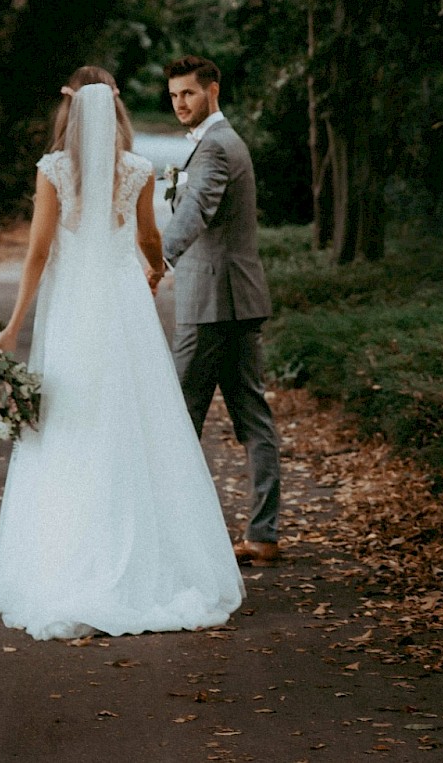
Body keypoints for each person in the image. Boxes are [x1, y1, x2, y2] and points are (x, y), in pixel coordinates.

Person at [0, 65, 244, 641]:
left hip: (74, 312)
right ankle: (148, 565)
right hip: (123, 309)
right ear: (118, 112)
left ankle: (67, 561)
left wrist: (14, 329)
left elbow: (36, 254)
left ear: (69, 112)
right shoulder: (137, 170)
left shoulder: (54, 171)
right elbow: (150, 238)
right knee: (134, 423)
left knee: (72, 426)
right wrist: (152, 268)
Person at [147, 55, 281, 565]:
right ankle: (263, 534)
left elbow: (195, 210)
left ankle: (178, 536)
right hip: (235, 299)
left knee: (178, 417)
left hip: (213, 304)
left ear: (213, 91)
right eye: (174, 95)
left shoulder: (216, 148)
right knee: (252, 418)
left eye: (189, 94)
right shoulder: (219, 143)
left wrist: (159, 260)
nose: (180, 103)